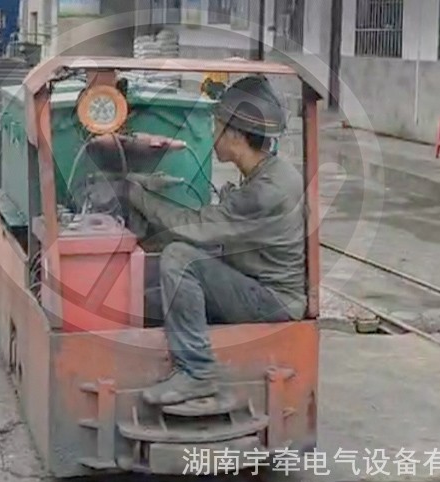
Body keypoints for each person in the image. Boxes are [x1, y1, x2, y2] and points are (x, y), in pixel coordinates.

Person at [124, 76, 307, 406]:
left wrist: (137, 196)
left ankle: (197, 372)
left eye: (217, 125)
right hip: (254, 280)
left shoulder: (268, 191)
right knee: (150, 296)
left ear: (235, 135)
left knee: (179, 257)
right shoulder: (270, 172)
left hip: (273, 299)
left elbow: (195, 227)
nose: (212, 133)